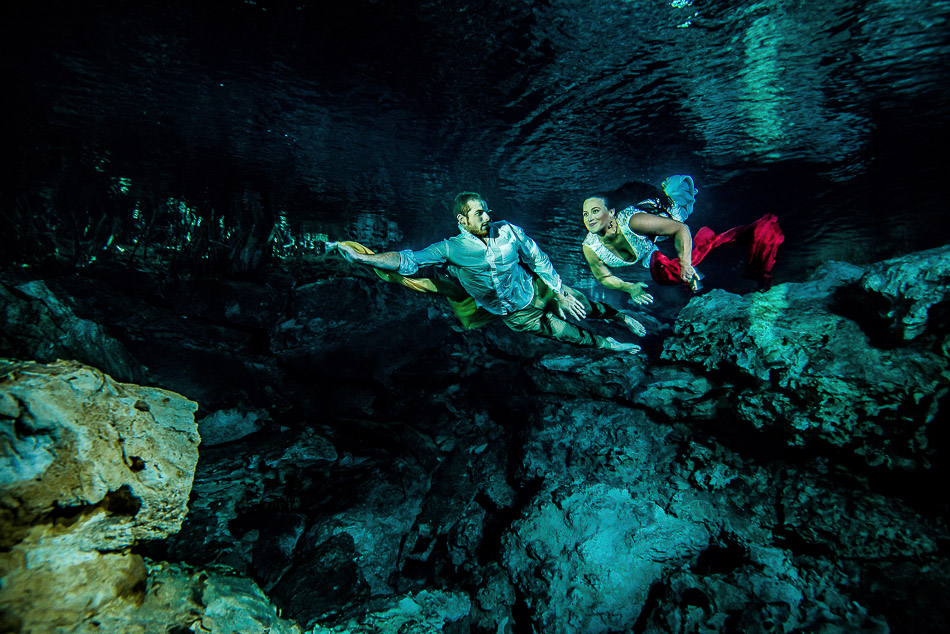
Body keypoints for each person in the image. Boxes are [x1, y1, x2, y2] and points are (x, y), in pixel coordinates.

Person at [334, 192, 645, 353]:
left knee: (586, 307)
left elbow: (538, 258)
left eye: (486, 210)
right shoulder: (449, 248)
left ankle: (618, 317)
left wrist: (561, 292)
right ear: (462, 219)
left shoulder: (507, 230)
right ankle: (609, 345)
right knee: (568, 335)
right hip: (515, 315)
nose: (487, 216)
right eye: (479, 212)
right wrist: (367, 260)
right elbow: (408, 261)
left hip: (539, 289)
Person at [581, 176, 783, 301]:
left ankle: (677, 191)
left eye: (595, 211)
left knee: (684, 218)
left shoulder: (633, 222)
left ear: (612, 212)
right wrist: (630, 287)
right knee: (666, 272)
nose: (589, 218)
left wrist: (685, 264)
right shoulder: (590, 247)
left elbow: (680, 229)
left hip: (664, 213)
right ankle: (690, 274)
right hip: (648, 245)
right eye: (585, 214)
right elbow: (603, 277)